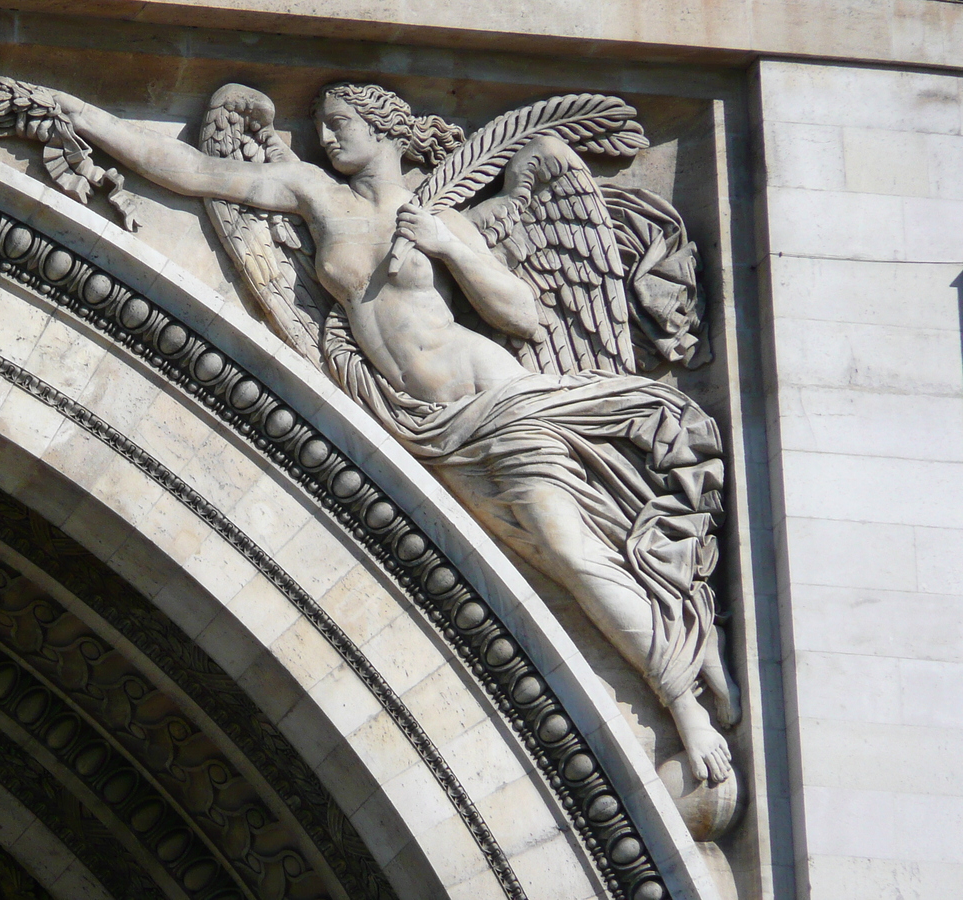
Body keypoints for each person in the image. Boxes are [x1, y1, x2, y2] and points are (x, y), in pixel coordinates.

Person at [54, 83, 738, 783]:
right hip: (428, 432)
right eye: (318, 125)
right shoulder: (314, 195)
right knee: (549, 551)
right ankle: (679, 617)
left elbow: (524, 316)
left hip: (496, 403)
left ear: (384, 130)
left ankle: (682, 704)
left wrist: (449, 245)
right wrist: (89, 115)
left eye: (340, 123)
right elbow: (202, 173)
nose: (324, 138)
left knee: (567, 551)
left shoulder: (438, 216)